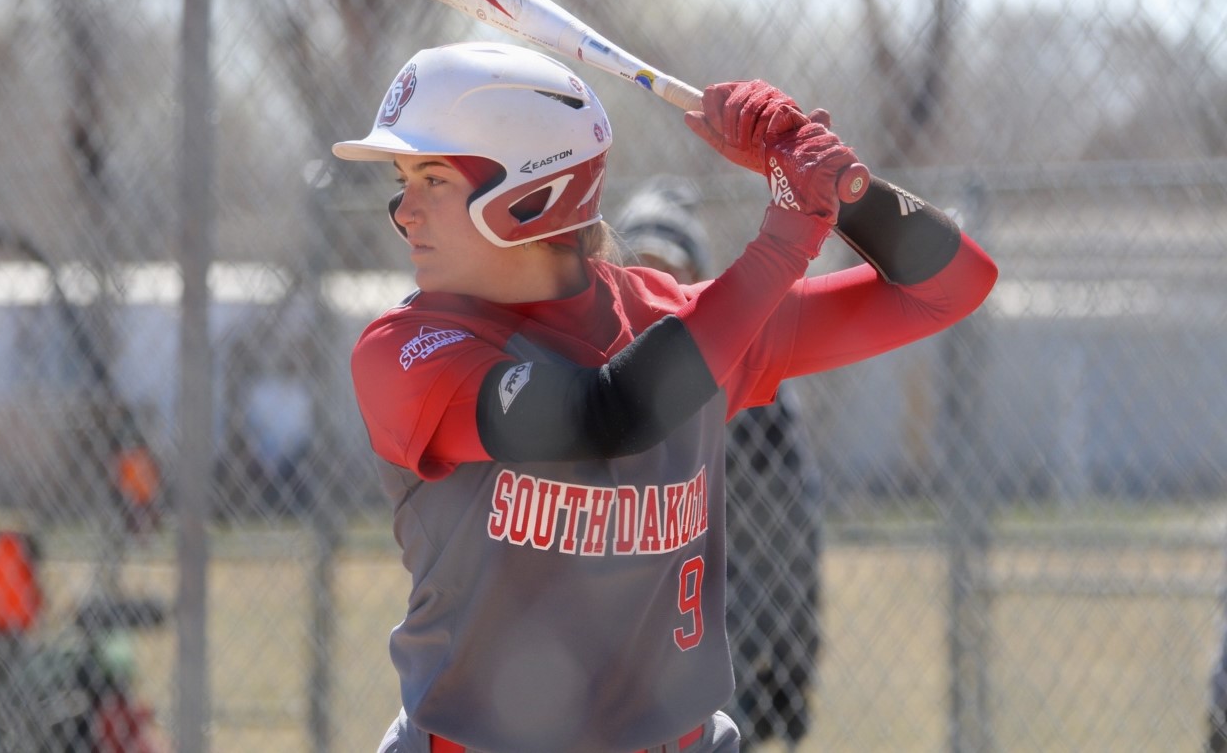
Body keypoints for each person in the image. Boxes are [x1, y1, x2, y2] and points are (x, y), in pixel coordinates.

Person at [339, 41, 998, 753]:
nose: (402, 211)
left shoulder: (684, 321)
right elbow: (601, 413)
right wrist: (782, 240)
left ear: (527, 194)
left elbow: (955, 284)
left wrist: (842, 189)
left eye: (431, 178)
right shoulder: (407, 350)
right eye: (405, 180)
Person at [616, 182, 823, 750]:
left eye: (668, 272)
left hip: (716, 642)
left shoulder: (749, 388)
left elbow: (789, 536)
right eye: (638, 269)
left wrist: (792, 660)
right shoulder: (585, 371)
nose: (651, 289)